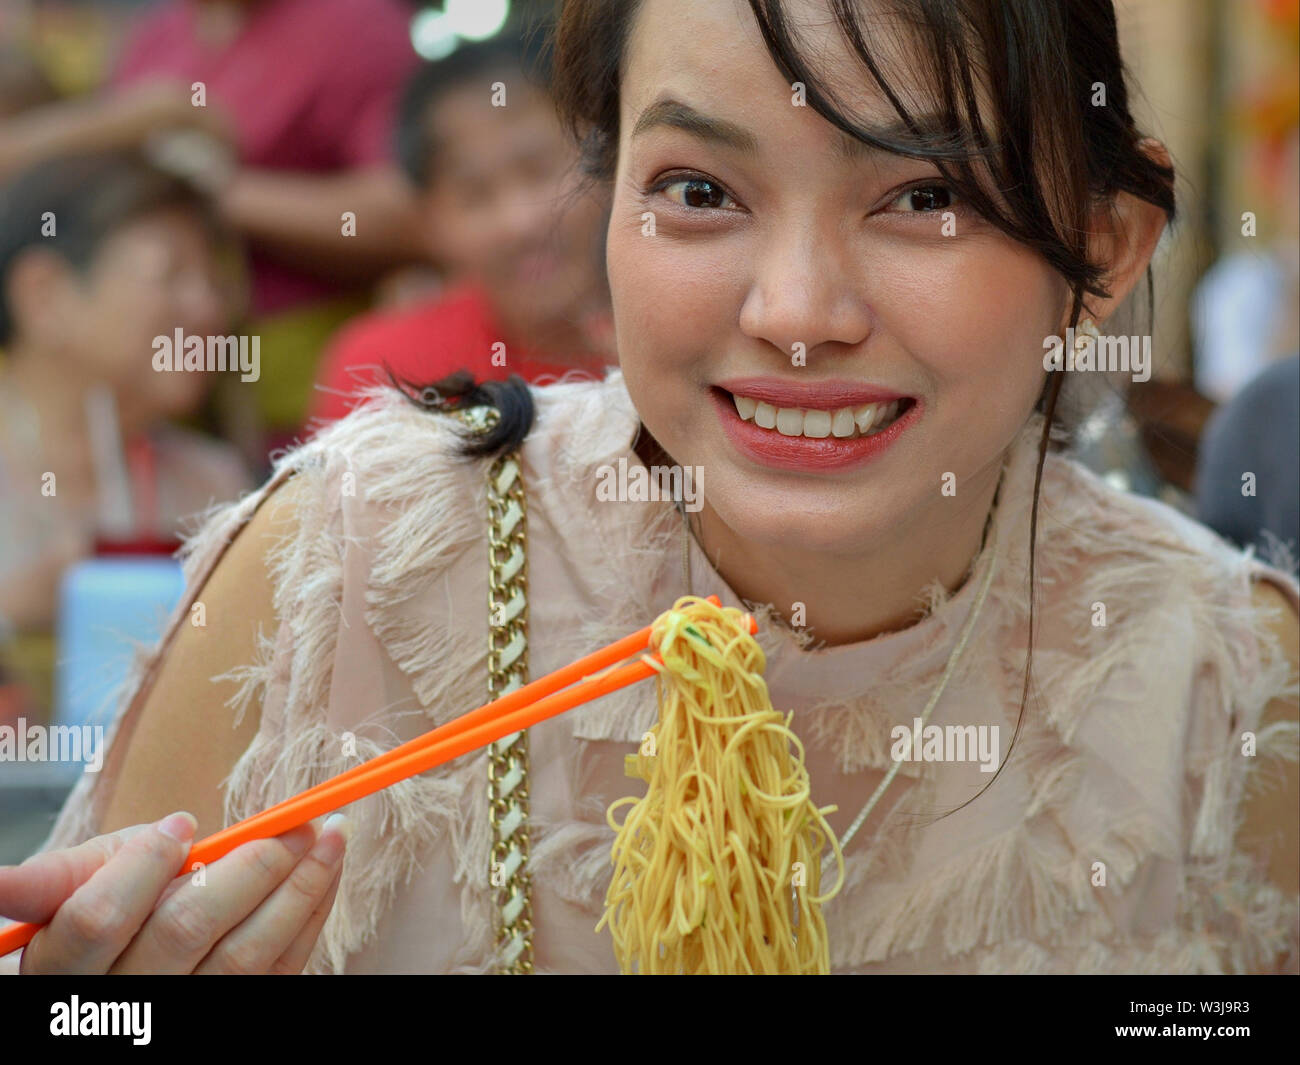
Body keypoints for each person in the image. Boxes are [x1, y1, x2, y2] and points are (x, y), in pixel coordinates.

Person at [2, 0, 1297, 976]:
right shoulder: (344, 566)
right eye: (698, 190)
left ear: (1105, 245)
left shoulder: (1234, 695)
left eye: (924, 194)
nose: (796, 313)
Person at [0, 152, 253, 713]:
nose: (208, 308)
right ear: (44, 295)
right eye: (170, 276)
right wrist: (14, 609)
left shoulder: (211, 483)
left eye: (214, 281)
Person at [309, 34, 614, 427]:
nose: (519, 222)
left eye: (539, 169)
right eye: (474, 194)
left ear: (607, 157)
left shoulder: (688, 336)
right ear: (430, 224)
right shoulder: (386, 376)